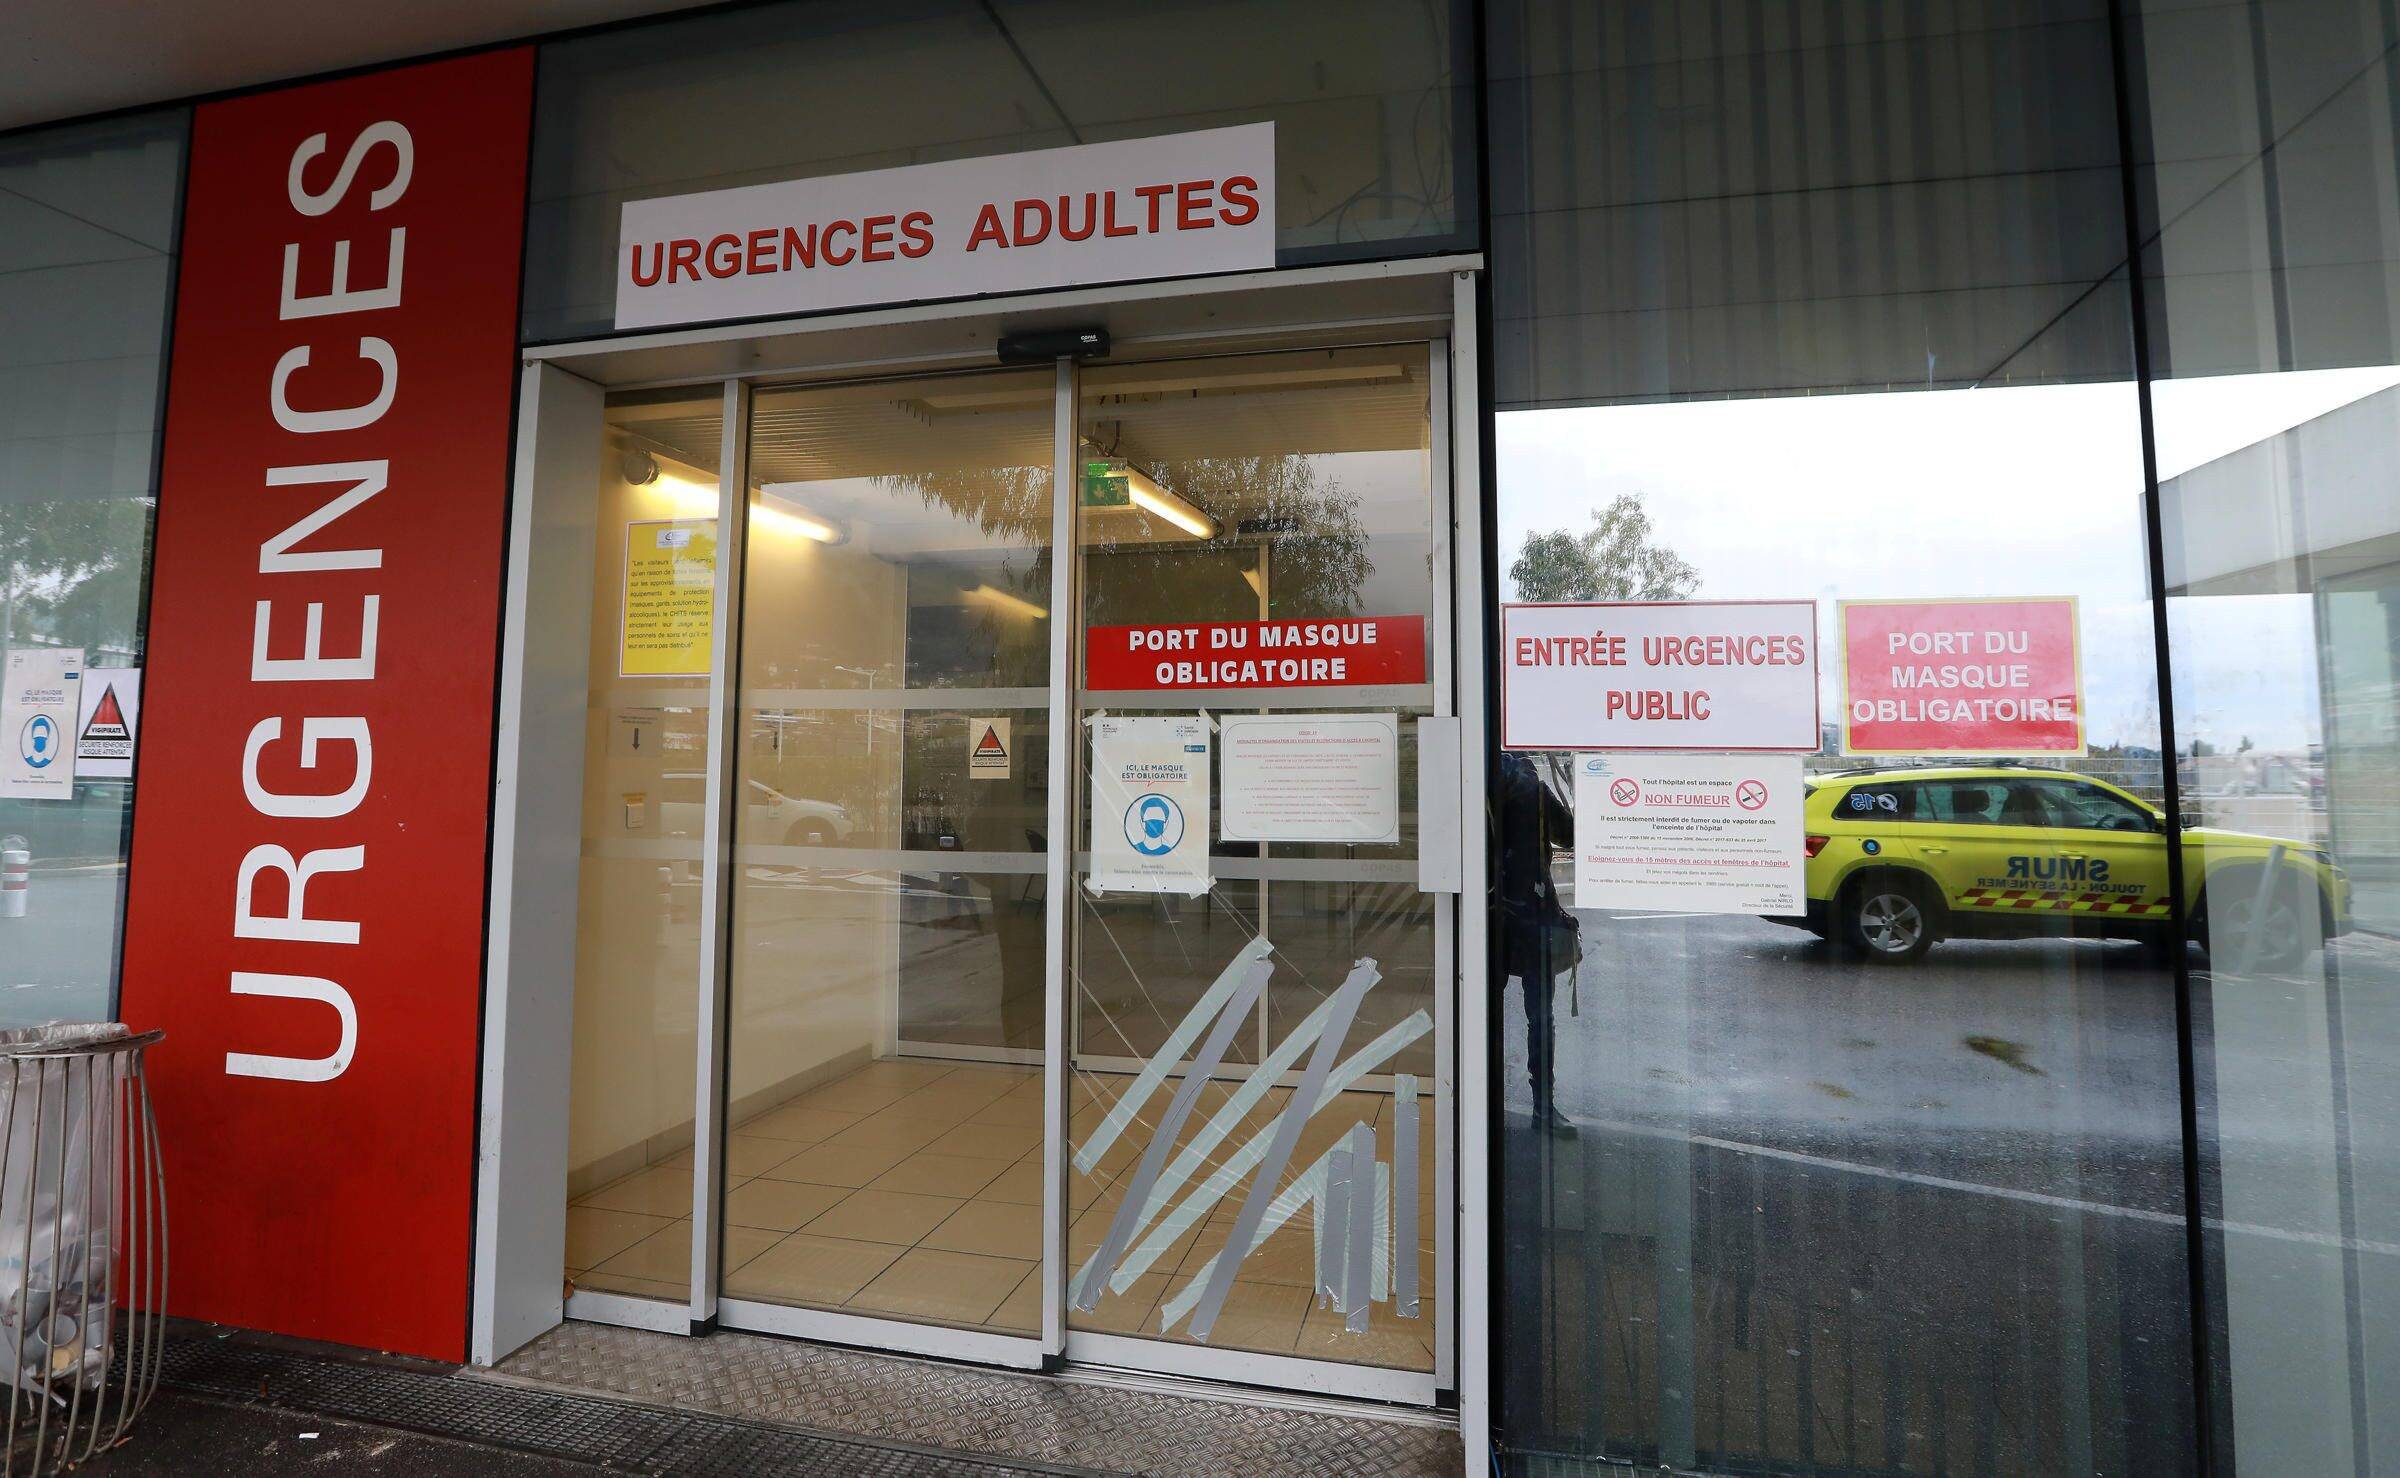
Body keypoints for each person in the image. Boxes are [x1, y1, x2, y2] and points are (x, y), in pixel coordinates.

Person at [1495, 750, 1578, 1135]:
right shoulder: (1535, 792)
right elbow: (1570, 833)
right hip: (1533, 916)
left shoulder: (1478, 790)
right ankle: (1543, 1108)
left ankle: (1481, 1104)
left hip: (1490, 918)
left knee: (1483, 1019)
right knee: (1540, 1018)